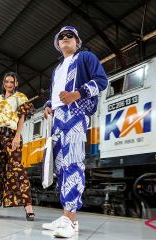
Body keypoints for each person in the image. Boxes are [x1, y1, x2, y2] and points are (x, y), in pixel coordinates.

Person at [42, 26, 108, 238]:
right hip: (58, 118)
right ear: (57, 44)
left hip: (76, 114)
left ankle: (69, 218)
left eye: (70, 36)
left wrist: (76, 94)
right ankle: (69, 218)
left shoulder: (86, 57)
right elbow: (56, 94)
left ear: (77, 41)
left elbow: (101, 81)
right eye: (61, 37)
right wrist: (48, 105)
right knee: (61, 167)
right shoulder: (57, 69)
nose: (65, 39)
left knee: (72, 162)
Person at [0, 72, 36, 221]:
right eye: (6, 82)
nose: (9, 84)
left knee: (16, 169)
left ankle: (28, 206)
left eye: (12, 82)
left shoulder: (20, 97)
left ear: (16, 83)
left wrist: (17, 135)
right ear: (3, 83)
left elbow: (22, 117)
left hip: (11, 135)